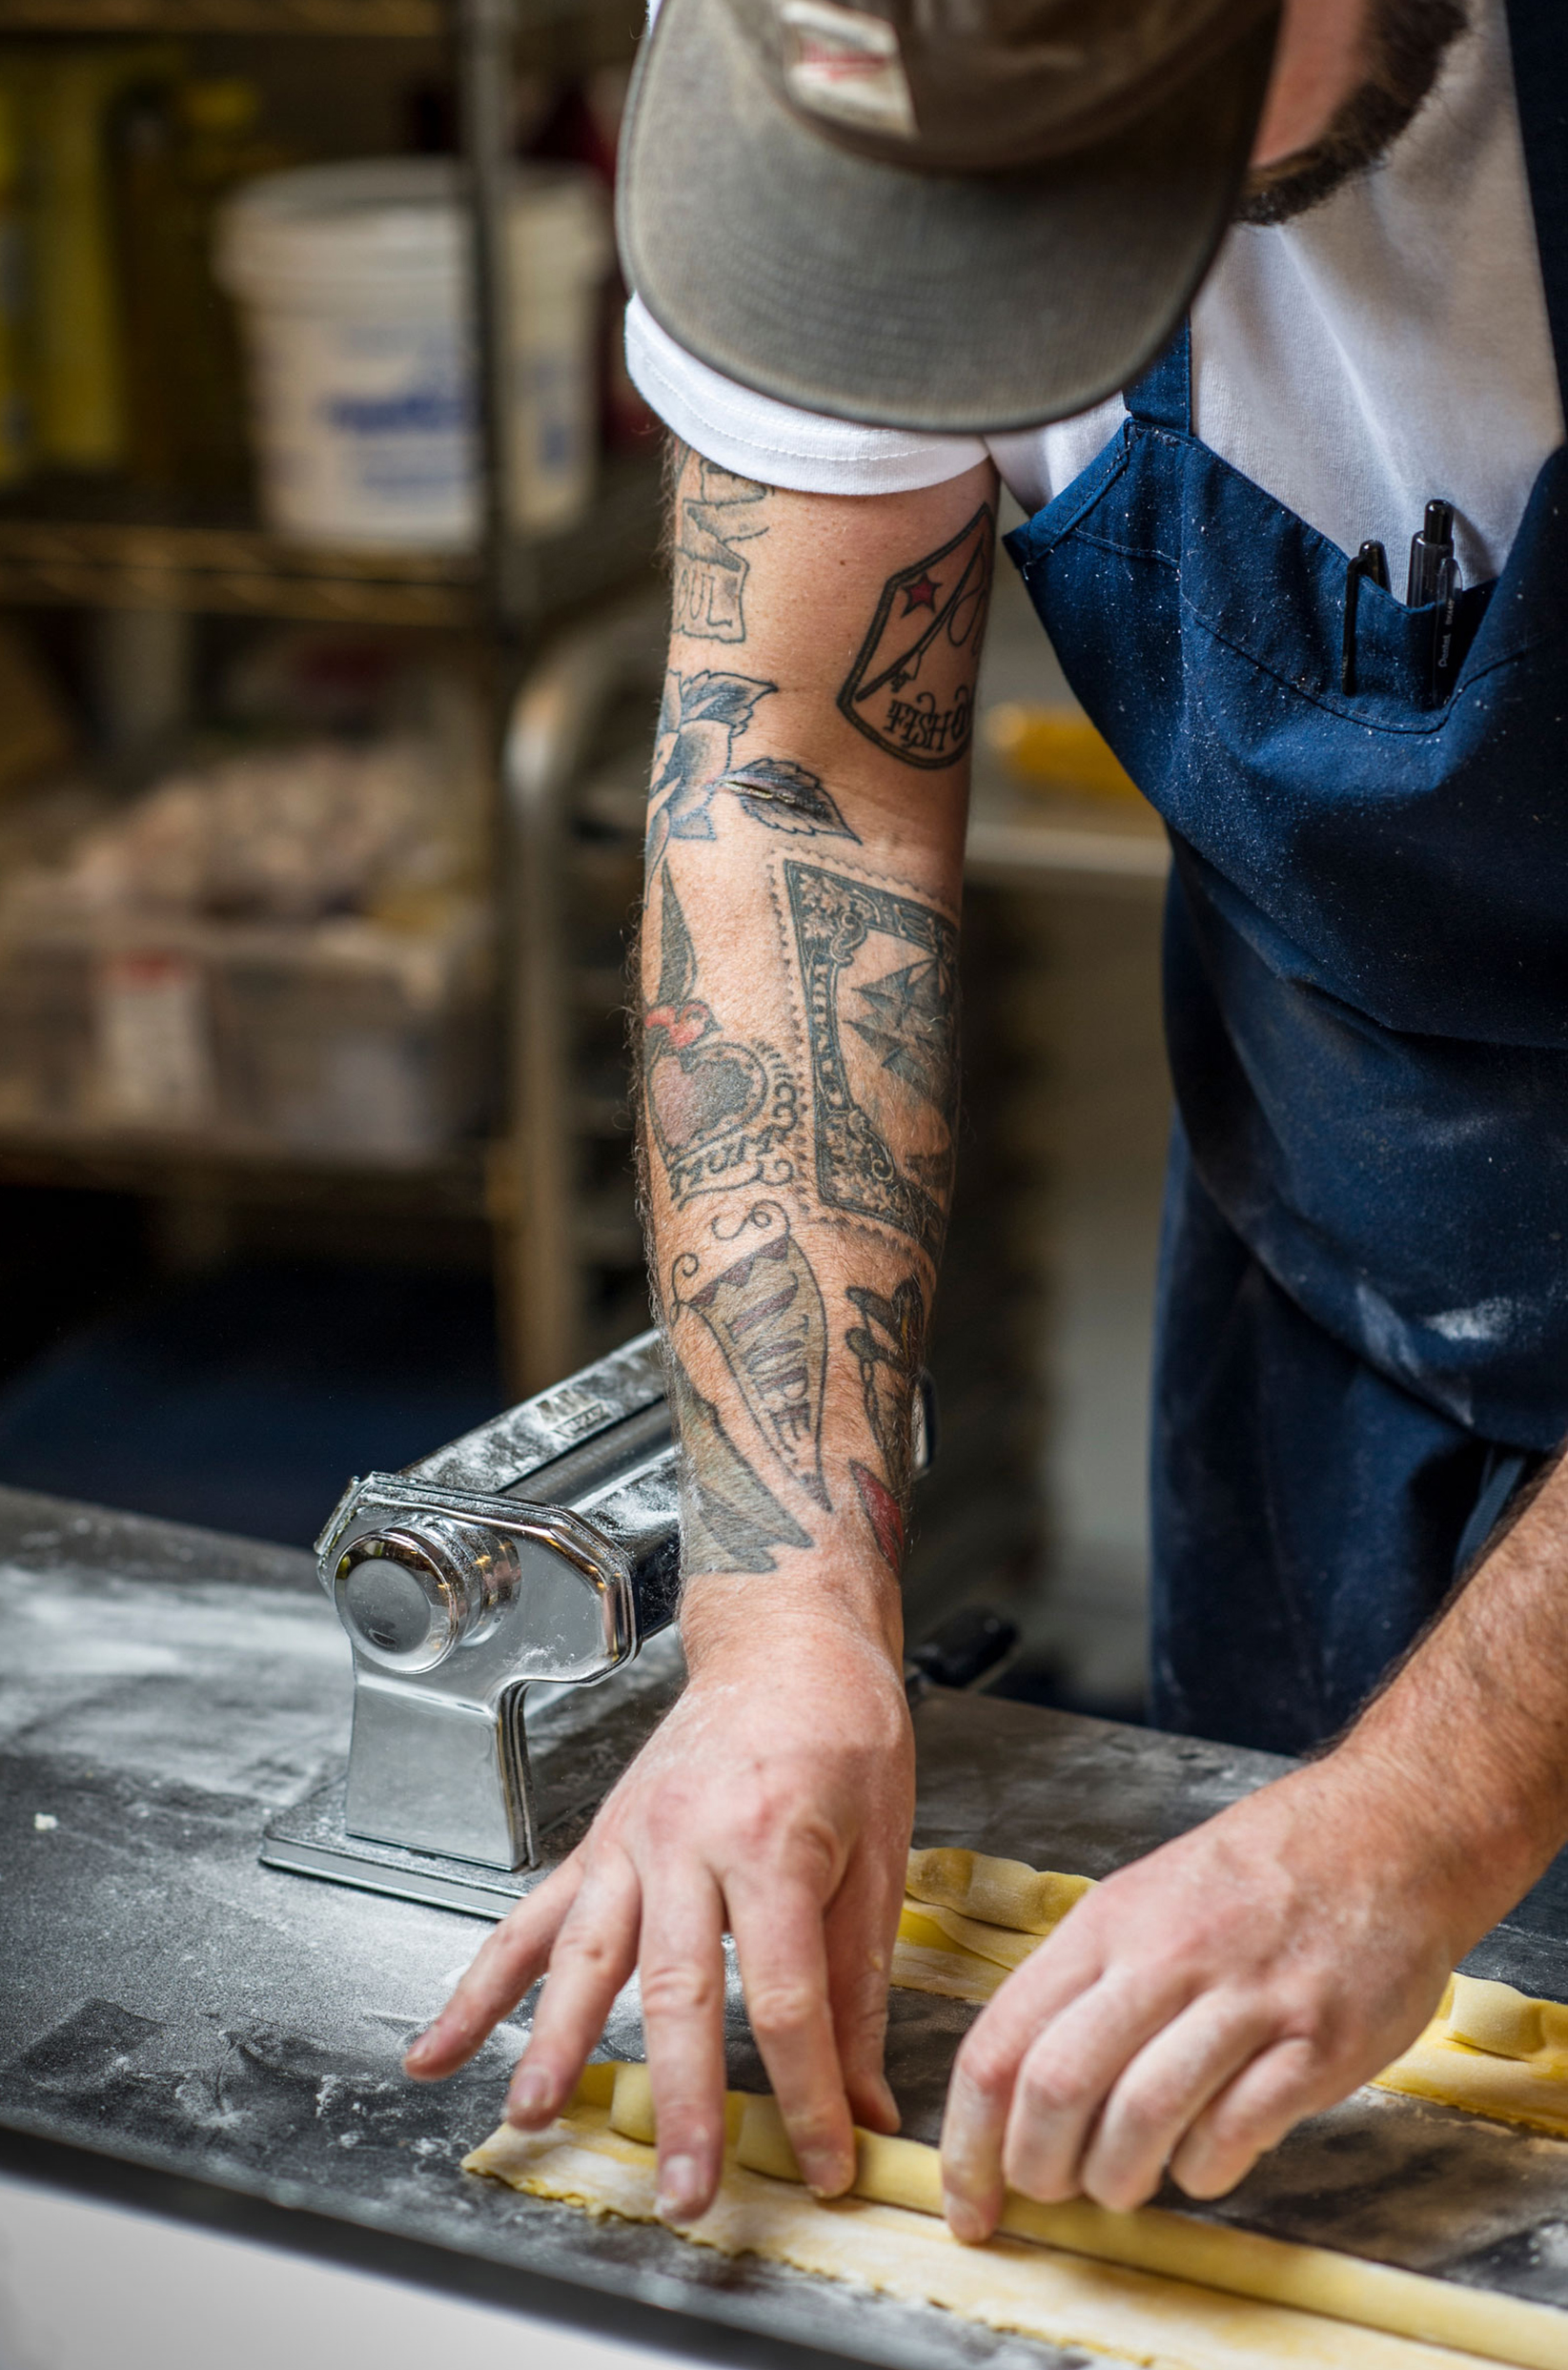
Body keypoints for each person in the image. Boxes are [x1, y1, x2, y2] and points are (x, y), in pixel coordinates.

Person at [407, 0, 1568, 2245]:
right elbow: (795, 778)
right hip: (1339, 1320)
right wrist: (783, 1622)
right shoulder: (828, 39)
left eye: (1098, 169)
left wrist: (1423, 1814)